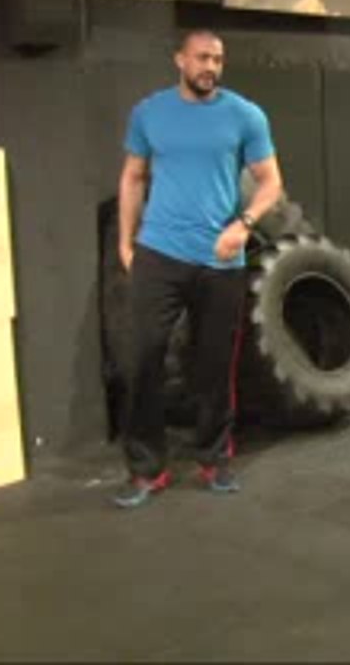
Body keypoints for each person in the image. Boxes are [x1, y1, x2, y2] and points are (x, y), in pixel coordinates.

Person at [113, 29, 285, 508]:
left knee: (213, 365)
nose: (211, 67)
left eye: (218, 60)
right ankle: (147, 469)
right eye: (202, 58)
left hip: (220, 258)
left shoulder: (245, 115)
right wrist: (125, 242)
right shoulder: (149, 113)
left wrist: (244, 225)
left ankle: (213, 458)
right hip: (159, 252)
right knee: (142, 358)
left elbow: (271, 183)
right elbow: (133, 177)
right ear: (180, 60)